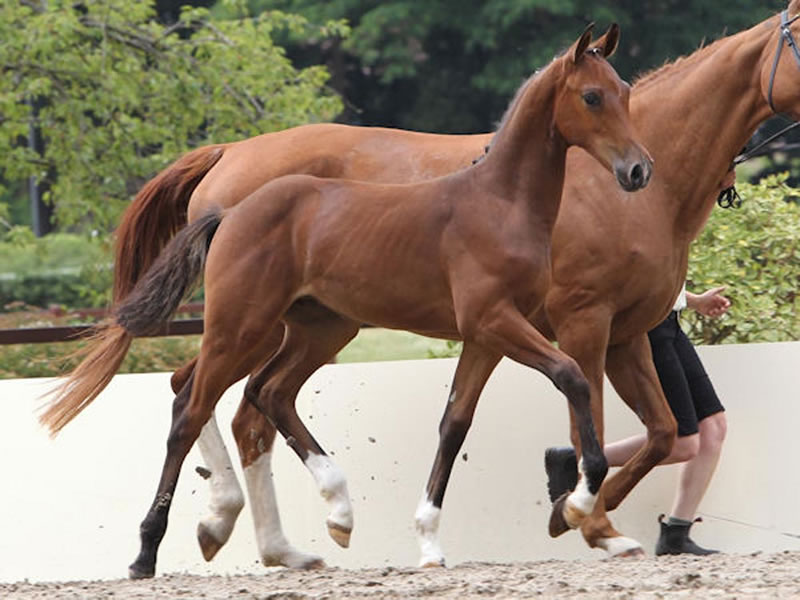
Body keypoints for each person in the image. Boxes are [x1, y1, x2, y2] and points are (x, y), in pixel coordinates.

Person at [545, 283, 730, 555]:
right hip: (646, 326)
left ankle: (676, 535)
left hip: (670, 318)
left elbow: (661, 268)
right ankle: (577, 461)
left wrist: (693, 301)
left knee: (713, 427)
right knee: (683, 444)